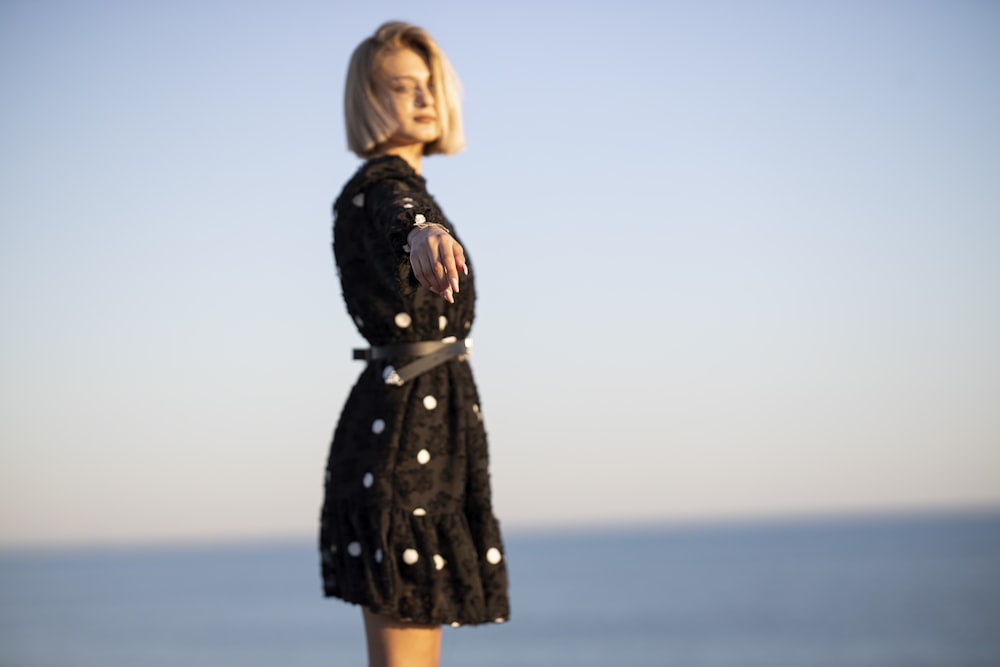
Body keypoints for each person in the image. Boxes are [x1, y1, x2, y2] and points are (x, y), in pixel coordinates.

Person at [319, 21, 510, 667]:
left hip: (419, 429)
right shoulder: (382, 190)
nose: (423, 98)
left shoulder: (405, 188)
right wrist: (422, 232)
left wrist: (422, 219)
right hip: (408, 439)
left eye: (429, 85)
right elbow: (397, 209)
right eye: (403, 86)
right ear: (369, 98)